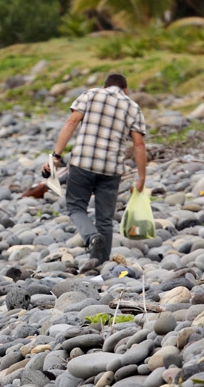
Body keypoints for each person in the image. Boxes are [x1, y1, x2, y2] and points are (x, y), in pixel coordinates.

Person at [42, 73, 147, 268]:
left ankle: (91, 237)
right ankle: (101, 267)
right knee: (105, 219)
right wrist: (141, 178)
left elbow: (71, 123)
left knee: (75, 206)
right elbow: (139, 145)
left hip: (83, 163)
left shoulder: (90, 95)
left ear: (105, 86)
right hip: (111, 170)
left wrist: (56, 157)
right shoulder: (132, 106)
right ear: (125, 90)